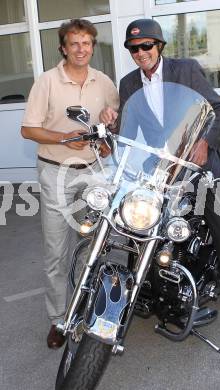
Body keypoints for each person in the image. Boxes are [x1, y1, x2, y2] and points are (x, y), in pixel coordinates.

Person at [101, 18, 220, 329]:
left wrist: (204, 141)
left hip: (197, 164)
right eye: (134, 48)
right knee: (138, 224)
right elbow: (128, 131)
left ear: (159, 46)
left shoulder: (185, 70)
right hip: (160, 169)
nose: (140, 52)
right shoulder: (128, 84)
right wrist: (111, 132)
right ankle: (141, 291)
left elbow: (217, 109)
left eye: (146, 46)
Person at [21, 19, 119, 349]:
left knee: (96, 244)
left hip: (94, 171)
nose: (81, 49)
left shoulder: (103, 82)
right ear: (63, 48)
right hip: (55, 173)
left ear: (93, 47)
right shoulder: (47, 82)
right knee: (56, 251)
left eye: (86, 43)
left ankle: (90, 308)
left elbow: (111, 121)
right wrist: (64, 137)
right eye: (74, 43)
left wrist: (108, 129)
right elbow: (28, 129)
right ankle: (58, 319)